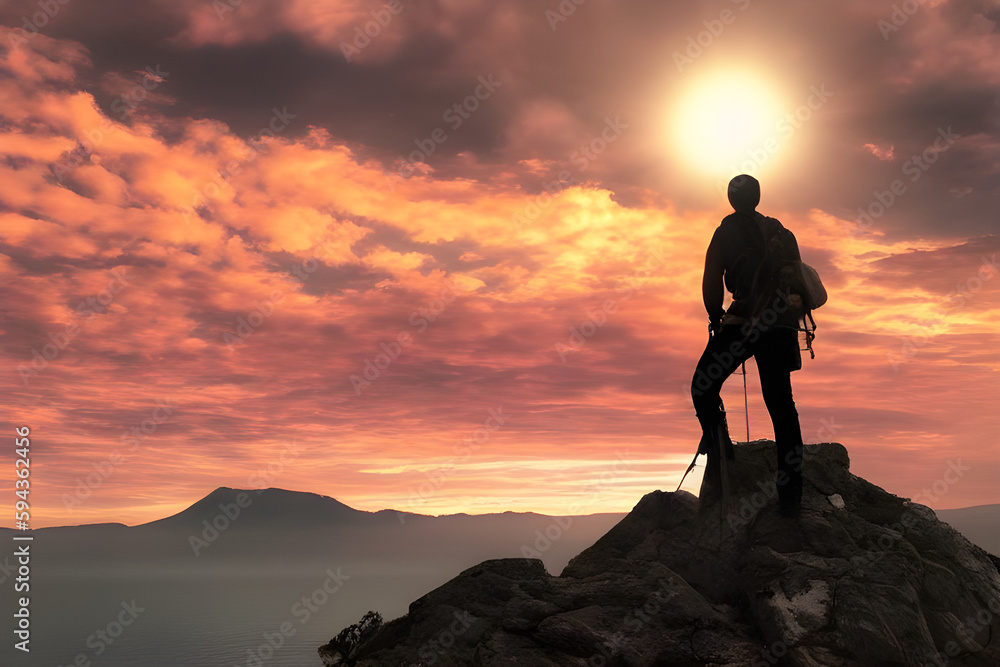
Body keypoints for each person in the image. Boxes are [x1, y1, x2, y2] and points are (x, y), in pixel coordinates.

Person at [691, 174, 804, 518]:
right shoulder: (780, 231)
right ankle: (790, 500)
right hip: (781, 325)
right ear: (757, 197)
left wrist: (715, 316)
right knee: (781, 405)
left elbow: (712, 282)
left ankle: (720, 446)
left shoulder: (725, 231)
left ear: (731, 199)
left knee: (703, 385)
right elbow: (798, 277)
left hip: (744, 323)